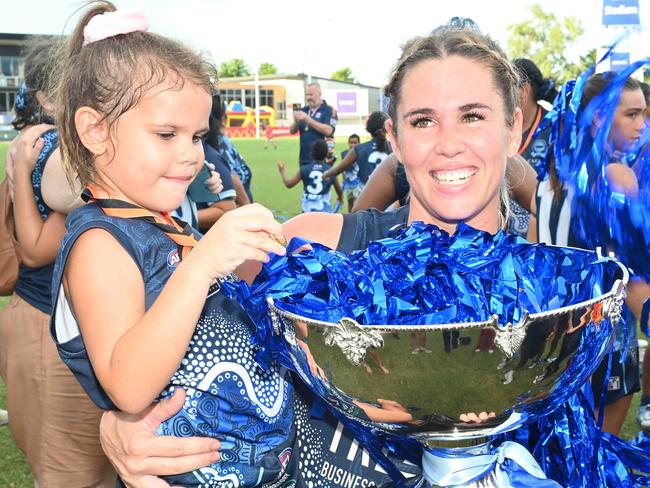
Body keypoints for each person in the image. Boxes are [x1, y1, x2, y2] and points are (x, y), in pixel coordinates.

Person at [100, 25, 560, 488]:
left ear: (514, 126)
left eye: (473, 116)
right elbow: (171, 357)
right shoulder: (309, 247)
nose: (449, 142)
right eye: (423, 120)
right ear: (394, 139)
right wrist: (120, 424)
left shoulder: (562, 291)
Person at [50, 4, 294, 487]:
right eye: (166, 134)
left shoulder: (159, 224)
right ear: (95, 130)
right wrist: (201, 265)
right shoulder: (100, 242)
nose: (191, 154)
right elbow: (128, 384)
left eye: (198, 135)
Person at [0, 38, 113, 486]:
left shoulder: (51, 142)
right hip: (53, 325)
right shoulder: (52, 146)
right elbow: (38, 249)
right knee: (70, 471)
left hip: (63, 323)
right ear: (48, 97)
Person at [529, 72, 645, 435]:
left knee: (556, 455)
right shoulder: (615, 176)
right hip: (602, 338)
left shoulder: (547, 180)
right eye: (632, 114)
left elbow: (531, 260)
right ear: (599, 117)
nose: (642, 125)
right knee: (600, 458)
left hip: (549, 339)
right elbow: (636, 268)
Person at [323, 111, 392, 190]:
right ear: (387, 127)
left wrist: (326, 174)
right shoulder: (394, 148)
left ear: (368, 128)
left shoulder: (359, 149)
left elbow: (339, 169)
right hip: (389, 198)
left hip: (367, 197)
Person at [277, 139, 343, 213]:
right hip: (323, 210)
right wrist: (340, 198)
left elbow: (289, 184)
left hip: (307, 209)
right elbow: (339, 189)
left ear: (311, 153)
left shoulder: (304, 169)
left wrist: (282, 171)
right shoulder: (331, 170)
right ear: (326, 153)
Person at [289, 82, 338, 165]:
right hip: (304, 159)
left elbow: (329, 131)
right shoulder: (303, 110)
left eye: (311, 95)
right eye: (307, 95)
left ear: (319, 94)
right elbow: (292, 131)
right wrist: (296, 121)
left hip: (323, 160)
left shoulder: (329, 110)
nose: (308, 98)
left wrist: (307, 118)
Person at [340, 133, 361, 212]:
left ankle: (357, 218)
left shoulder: (361, 153)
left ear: (359, 143)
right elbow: (342, 168)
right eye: (351, 142)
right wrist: (343, 179)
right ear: (348, 143)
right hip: (348, 181)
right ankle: (350, 216)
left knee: (357, 201)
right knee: (350, 201)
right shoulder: (344, 153)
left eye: (355, 143)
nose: (353, 145)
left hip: (358, 181)